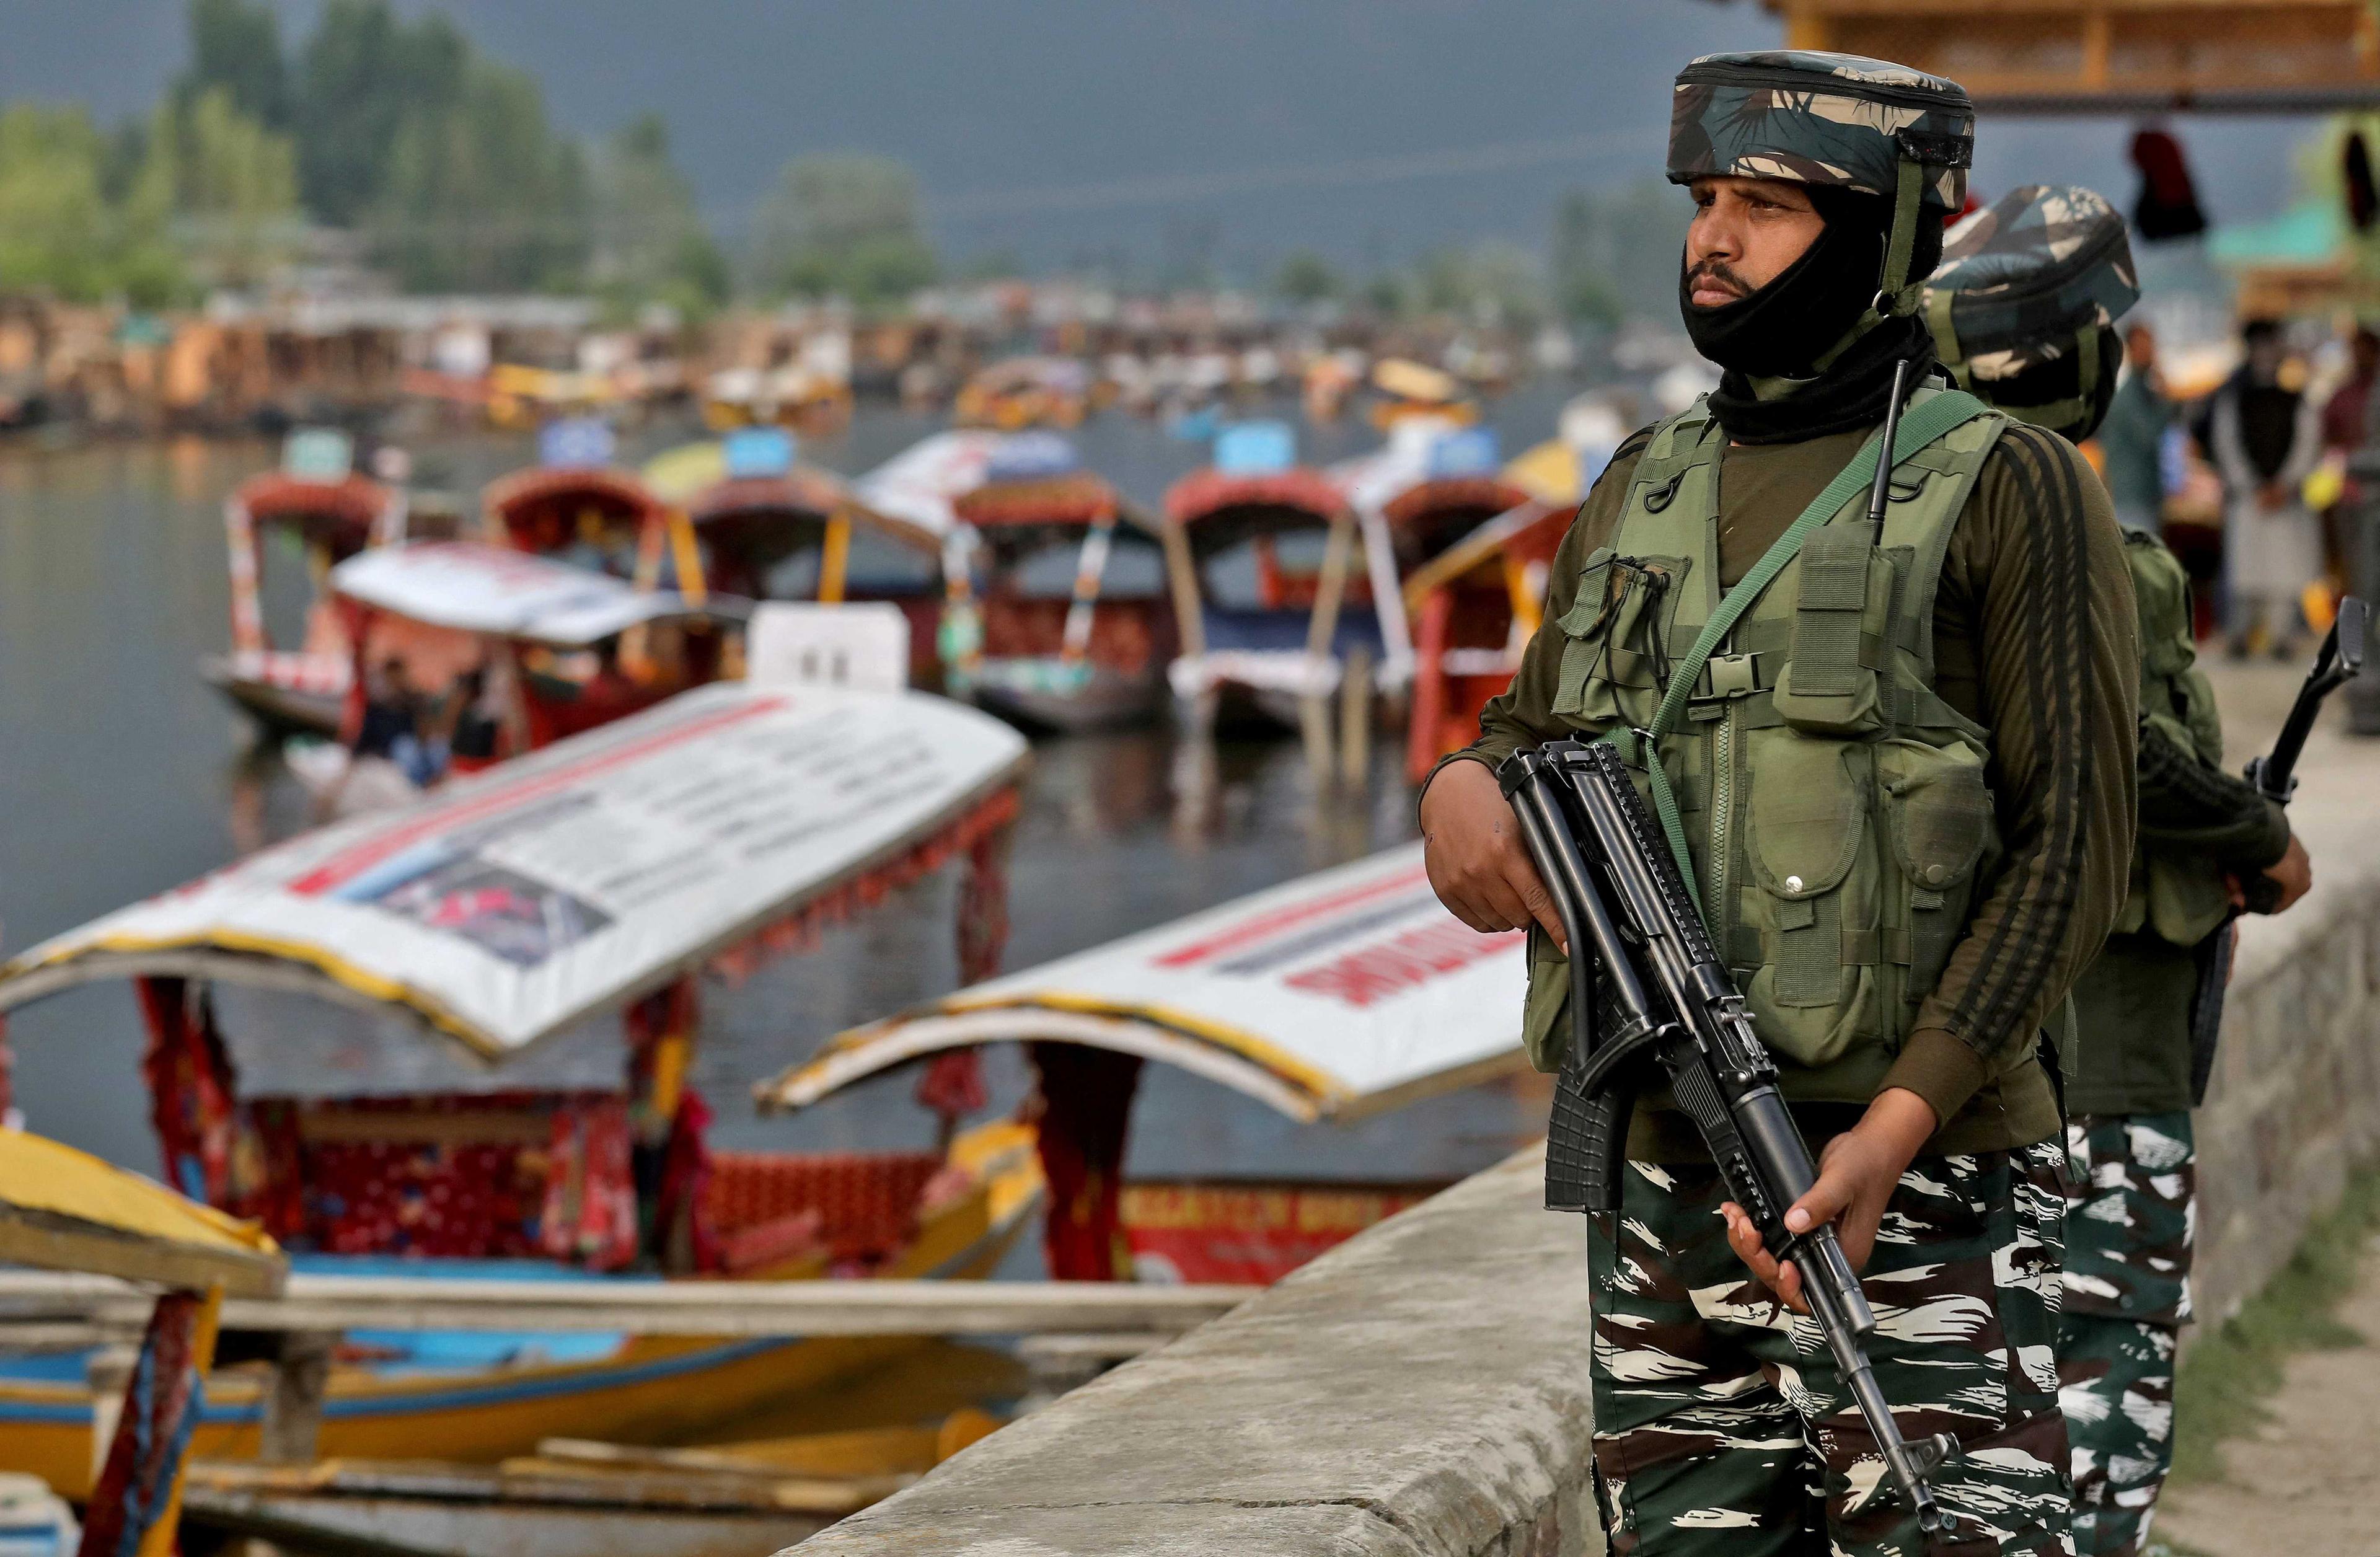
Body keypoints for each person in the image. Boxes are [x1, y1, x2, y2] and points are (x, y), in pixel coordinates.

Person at [1421, 51, 2140, 1555]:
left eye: (1764, 205)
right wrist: (1455, 784)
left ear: (1886, 233)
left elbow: (2073, 844)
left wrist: (1890, 1127)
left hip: (1923, 1175)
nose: (1712, 240)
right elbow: (1531, 726)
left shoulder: (2005, 483)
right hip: (1671, 1179)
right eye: (1701, 200)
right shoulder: (1640, 481)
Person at [1926, 184, 2316, 1556]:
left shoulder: (1922, 524)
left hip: (1974, 1041)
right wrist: (2258, 835)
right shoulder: (2080, 540)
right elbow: (2126, 749)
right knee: (2107, 1364)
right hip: (2102, 1040)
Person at [2210, 319, 2323, 659]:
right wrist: (2252, 486)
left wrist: (2284, 485)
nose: (2265, 354)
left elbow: (2307, 444)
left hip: (2283, 501)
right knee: (2246, 573)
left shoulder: (2297, 400)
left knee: (2284, 573)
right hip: (2249, 501)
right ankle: (2241, 635)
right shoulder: (2232, 400)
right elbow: (2226, 446)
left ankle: (2280, 638)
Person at [2098, 323, 2174, 536]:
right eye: (2145, 345)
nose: (2151, 352)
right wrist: (2166, 400)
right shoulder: (2128, 397)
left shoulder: (2142, 391)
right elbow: (2148, 435)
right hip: (2132, 498)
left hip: (2145, 496)